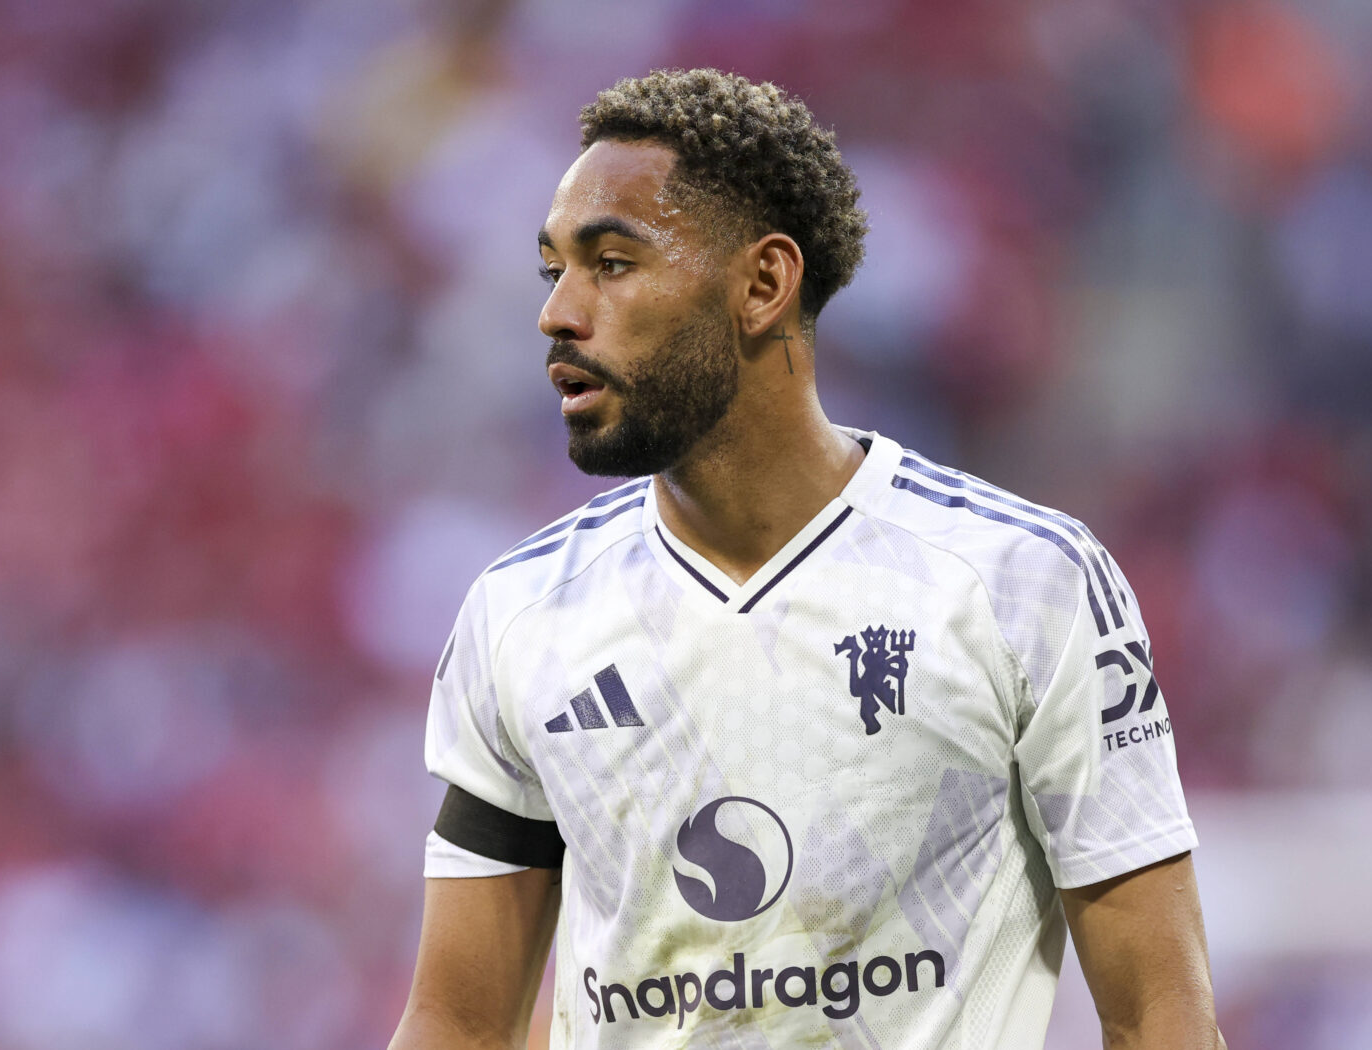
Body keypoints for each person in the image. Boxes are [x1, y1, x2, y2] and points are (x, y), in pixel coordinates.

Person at [391, 68, 1223, 1050]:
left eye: (611, 263)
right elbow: (458, 1024)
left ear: (762, 283)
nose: (558, 313)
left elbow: (1157, 1013)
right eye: (553, 272)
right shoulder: (520, 614)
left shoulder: (1021, 582)